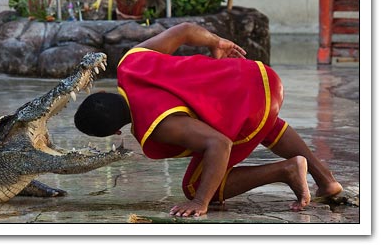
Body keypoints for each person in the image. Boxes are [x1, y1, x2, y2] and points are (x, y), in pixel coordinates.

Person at [74, 22, 343, 218]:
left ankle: (285, 170)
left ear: (117, 132)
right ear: (104, 91)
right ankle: (325, 179)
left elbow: (219, 144)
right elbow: (184, 30)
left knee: (193, 185)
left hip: (254, 103)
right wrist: (217, 42)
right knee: (258, 122)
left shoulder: (155, 126)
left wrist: (201, 201)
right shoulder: (130, 63)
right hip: (256, 76)